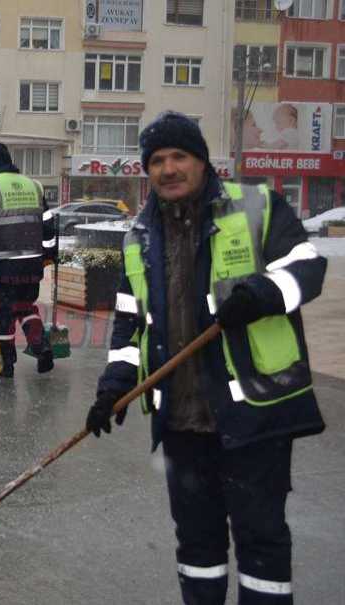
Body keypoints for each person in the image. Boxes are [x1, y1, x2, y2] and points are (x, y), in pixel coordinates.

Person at [85, 112, 326, 605]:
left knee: (261, 543)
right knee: (197, 544)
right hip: (182, 420)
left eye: (179, 156)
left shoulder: (256, 206)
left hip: (254, 413)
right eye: (156, 161)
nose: (168, 169)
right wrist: (113, 386)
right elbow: (130, 323)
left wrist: (263, 292)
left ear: (201, 161)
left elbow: (307, 265)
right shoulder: (140, 237)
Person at [0, 143, 56, 378]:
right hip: (32, 264)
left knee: (3, 313)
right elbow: (48, 224)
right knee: (26, 307)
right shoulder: (34, 185)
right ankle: (41, 347)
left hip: (3, 264)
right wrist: (49, 254)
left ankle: (6, 364)